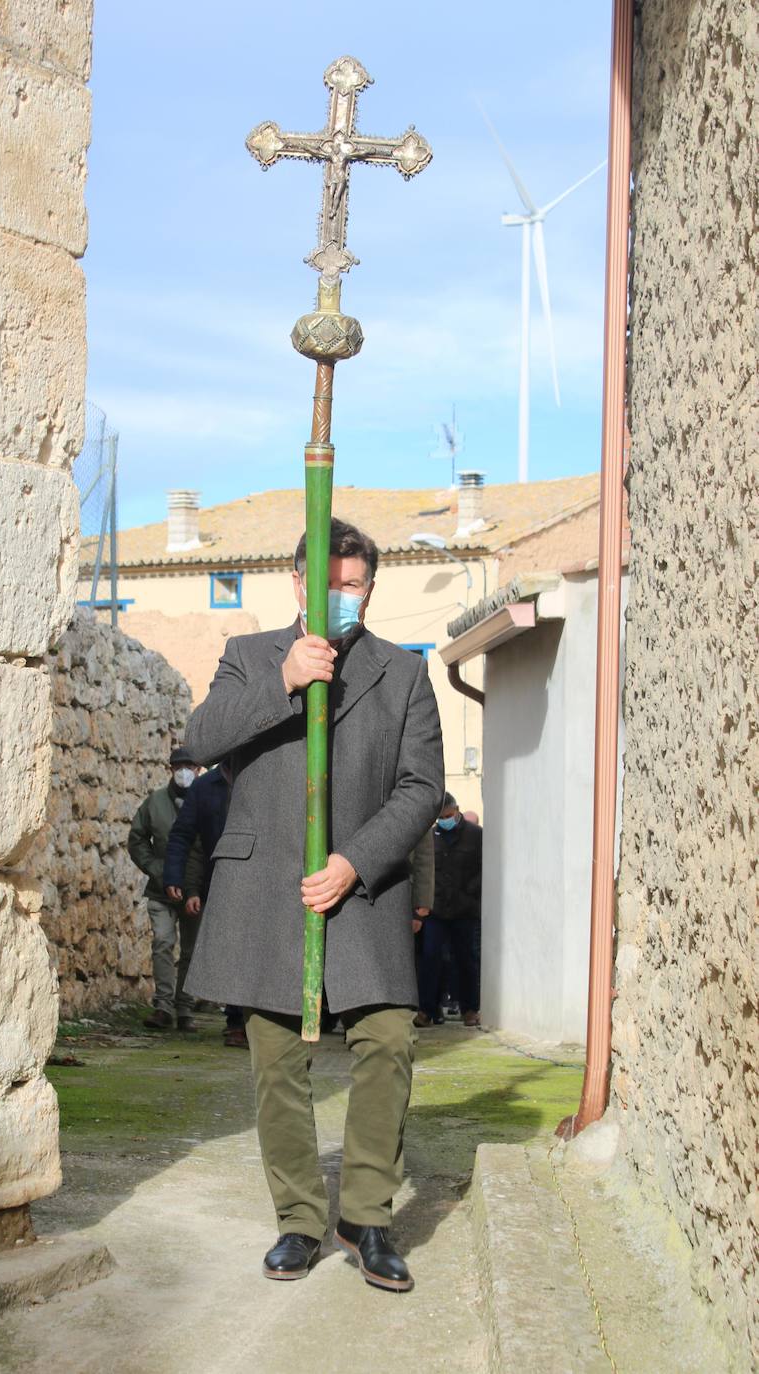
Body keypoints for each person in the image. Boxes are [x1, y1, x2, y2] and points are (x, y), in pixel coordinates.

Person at [182, 518, 444, 1292]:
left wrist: (355, 860)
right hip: (267, 891)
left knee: (389, 1042)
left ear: (370, 590)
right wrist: (286, 680)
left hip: (362, 887)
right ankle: (298, 1220)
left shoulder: (402, 673)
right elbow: (202, 740)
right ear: (299, 582)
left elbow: (421, 786)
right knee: (276, 1065)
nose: (340, 596)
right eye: (328, 583)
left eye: (355, 586)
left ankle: (366, 1214)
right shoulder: (249, 657)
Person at [163, 762, 248, 1048]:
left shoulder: (263, 775)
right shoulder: (203, 787)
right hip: (220, 881)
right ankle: (236, 1021)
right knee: (234, 951)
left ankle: (255, 1019)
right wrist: (177, 878)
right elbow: (183, 835)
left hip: (261, 878)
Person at [127, 747, 204, 1032]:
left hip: (194, 891)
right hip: (160, 890)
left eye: (191, 766)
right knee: (162, 943)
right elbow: (137, 839)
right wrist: (157, 870)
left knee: (190, 951)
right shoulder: (155, 803)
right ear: (171, 769)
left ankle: (185, 1008)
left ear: (199, 769)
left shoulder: (205, 799)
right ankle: (163, 1006)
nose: (185, 772)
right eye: (179, 766)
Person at [415, 795, 483, 1029]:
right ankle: (427, 1010)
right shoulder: (430, 838)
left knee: (466, 960)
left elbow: (484, 868)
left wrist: (472, 893)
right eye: (441, 817)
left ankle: (470, 1009)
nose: (445, 820)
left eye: (448, 815)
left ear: (457, 810)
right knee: (431, 960)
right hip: (436, 910)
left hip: (465, 910)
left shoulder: (476, 836)